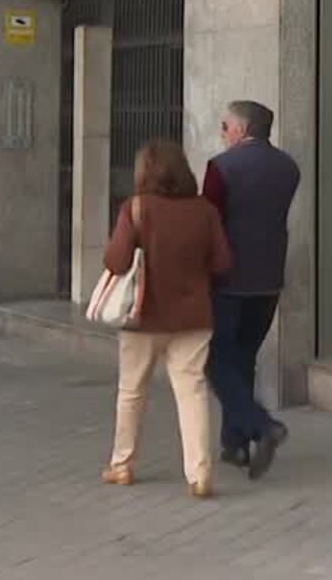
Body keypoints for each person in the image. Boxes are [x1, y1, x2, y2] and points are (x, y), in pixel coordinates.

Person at [100, 138, 232, 499]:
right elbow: (222, 263)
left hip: (143, 318)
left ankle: (122, 464)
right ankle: (199, 473)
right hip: (193, 317)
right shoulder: (205, 211)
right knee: (192, 392)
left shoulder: (136, 208)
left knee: (132, 391)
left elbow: (116, 262)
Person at [201, 100, 302, 480]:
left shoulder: (220, 168)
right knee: (243, 358)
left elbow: (210, 224)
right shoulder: (288, 168)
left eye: (225, 125)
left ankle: (261, 425)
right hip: (268, 279)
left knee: (216, 360)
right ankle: (235, 445)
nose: (222, 132)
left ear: (242, 129)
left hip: (228, 281)